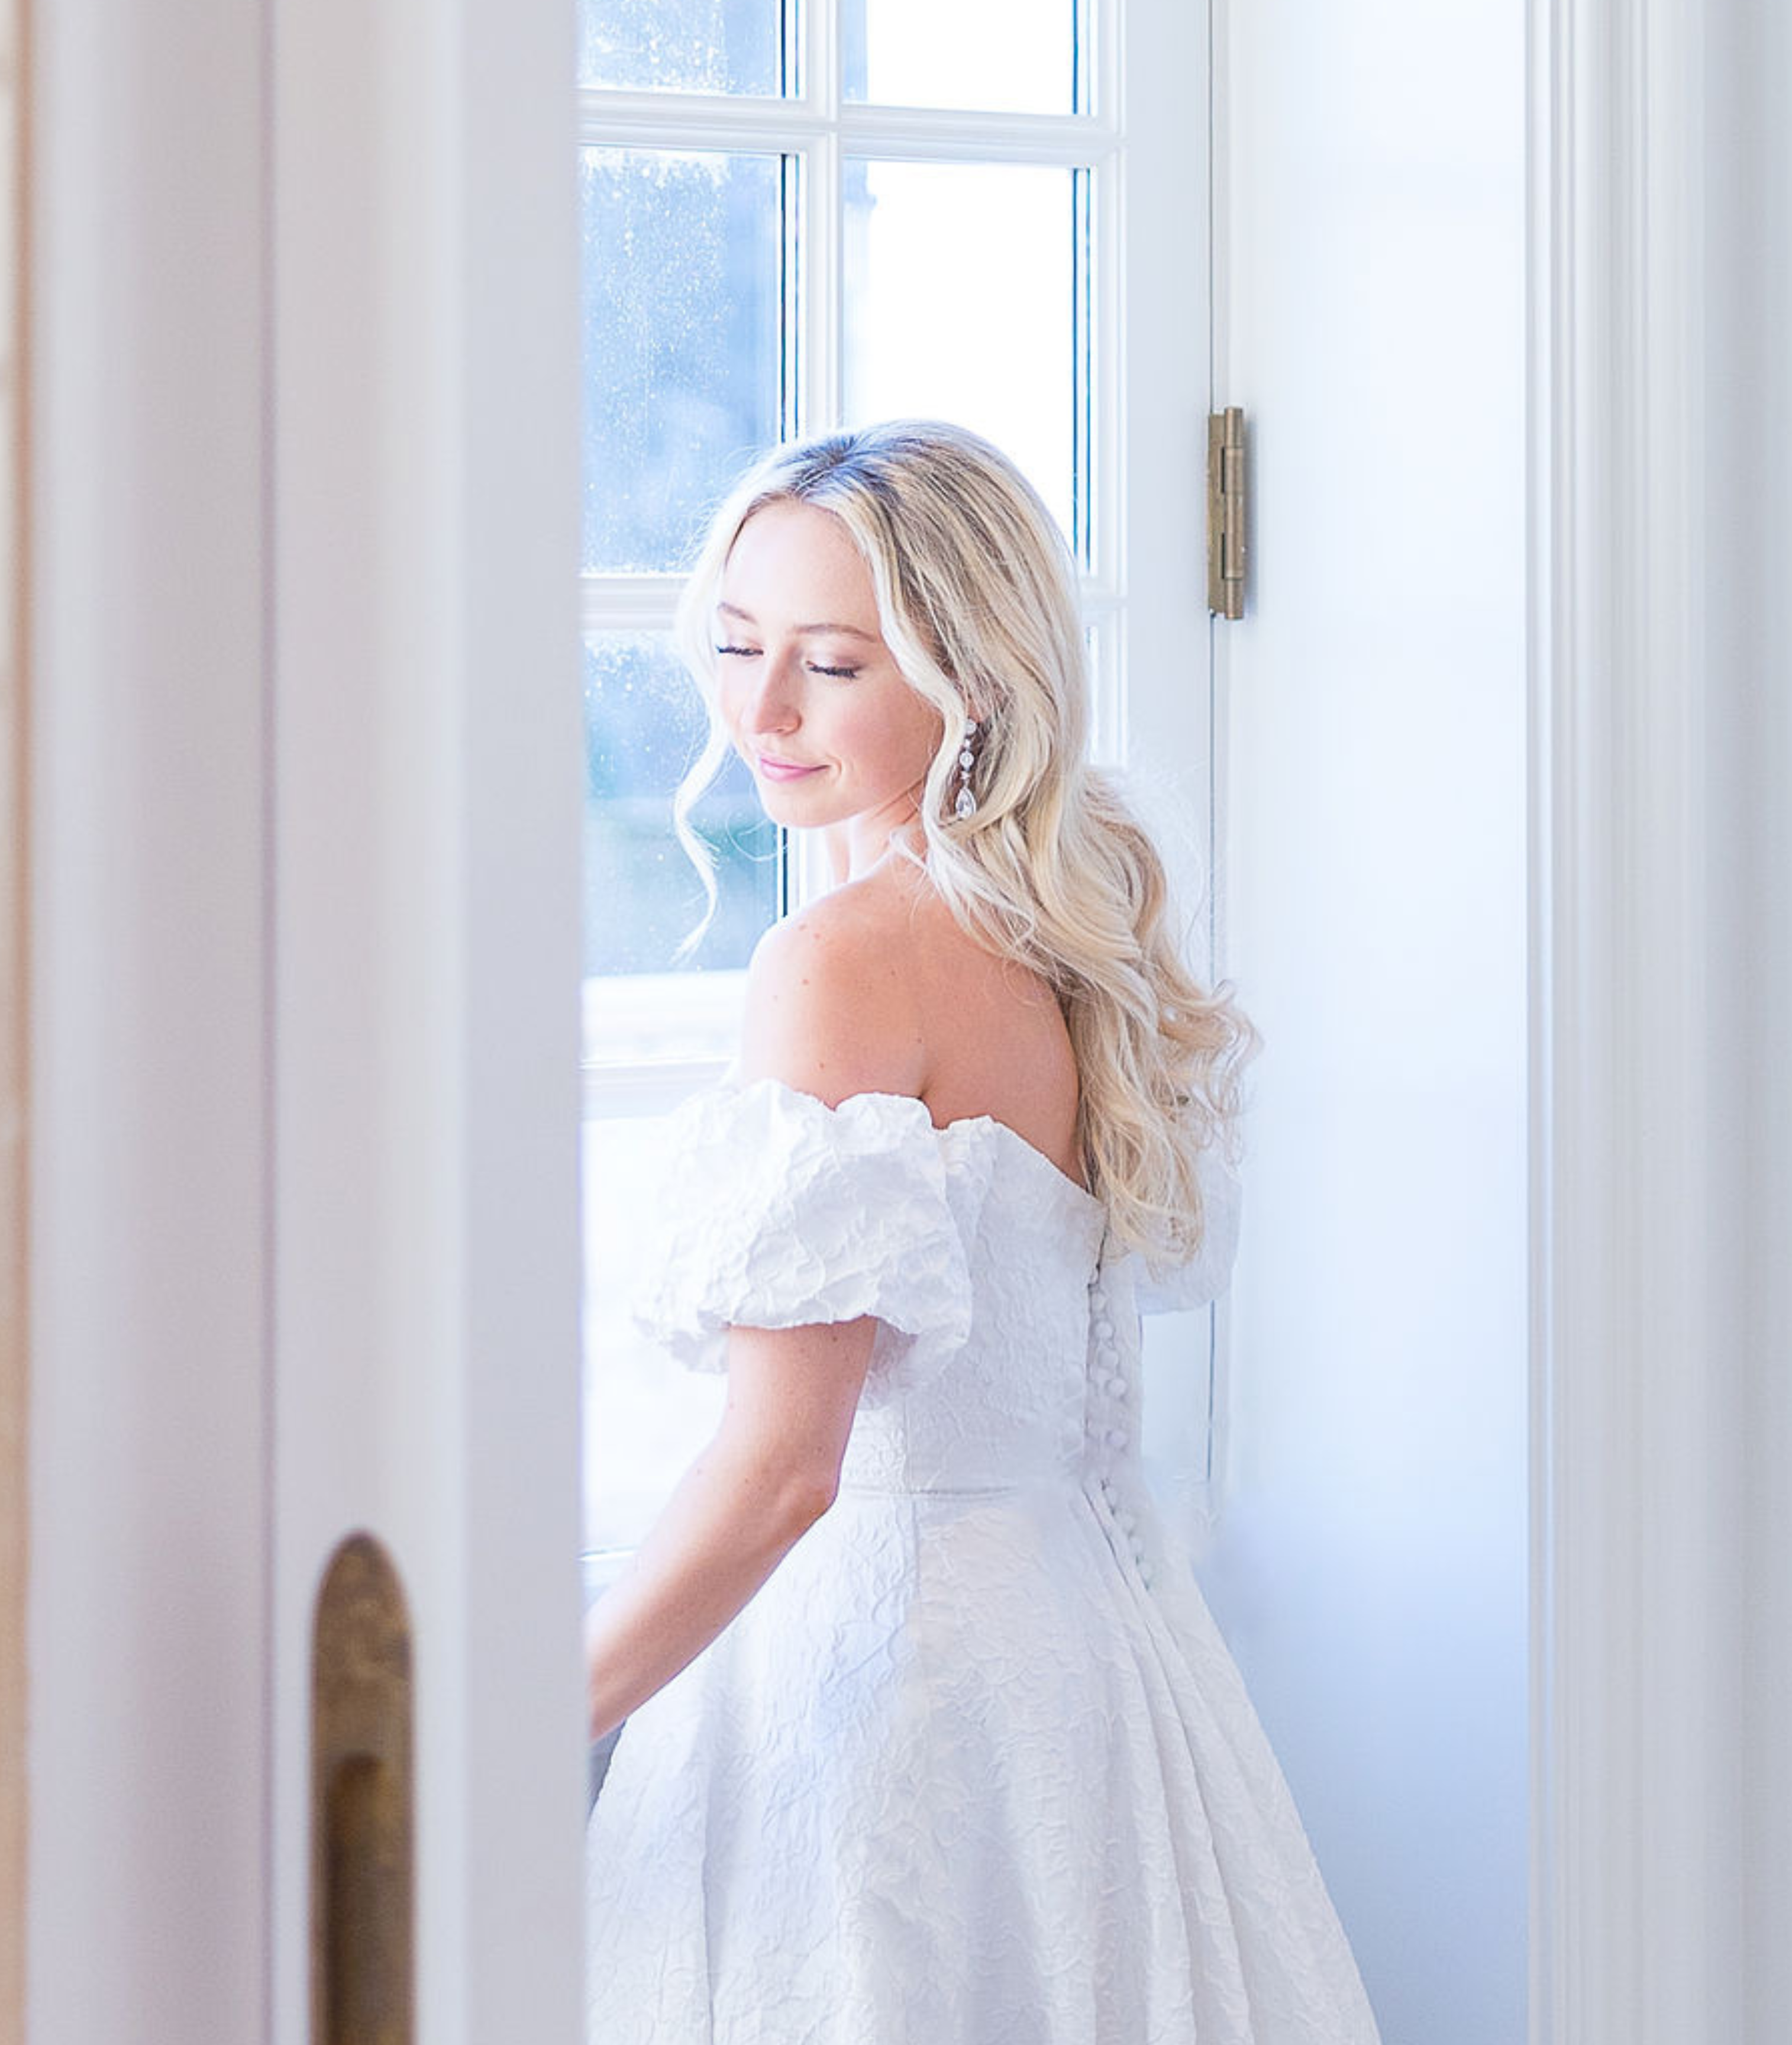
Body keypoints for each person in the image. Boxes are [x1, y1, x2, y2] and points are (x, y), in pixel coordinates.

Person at [583, 421, 1384, 2044]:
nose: (762, 713)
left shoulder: (842, 964)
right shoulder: (1084, 926)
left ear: (968, 673)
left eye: (832, 663)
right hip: (1096, 1670)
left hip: (877, 1701)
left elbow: (785, 1468)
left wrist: (515, 1722)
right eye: (737, 650)